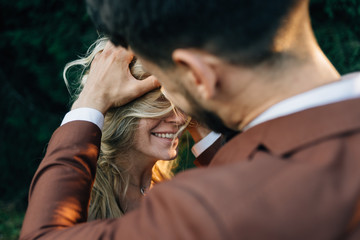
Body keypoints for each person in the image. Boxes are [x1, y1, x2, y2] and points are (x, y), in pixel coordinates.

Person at [20, 0, 360, 239]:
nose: (180, 115)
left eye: (167, 84)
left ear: (198, 76)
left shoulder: (219, 208)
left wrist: (90, 101)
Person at [63, 37, 190, 219]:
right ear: (120, 109)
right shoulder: (81, 197)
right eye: (159, 105)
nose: (180, 118)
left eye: (182, 103)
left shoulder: (171, 191)